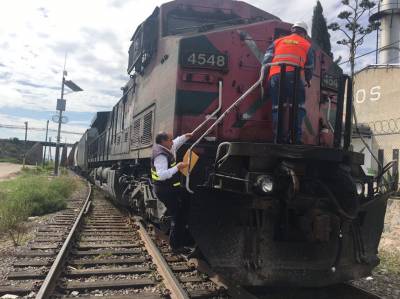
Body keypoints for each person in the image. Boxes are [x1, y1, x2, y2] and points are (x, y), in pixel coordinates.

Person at [262, 21, 315, 143]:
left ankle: (278, 138)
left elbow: (266, 61)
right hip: (293, 76)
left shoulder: (277, 42)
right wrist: (308, 79)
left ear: (292, 30)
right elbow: (309, 66)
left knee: (277, 108)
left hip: (275, 76)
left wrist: (264, 80)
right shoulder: (306, 44)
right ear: (304, 34)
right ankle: (295, 139)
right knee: (298, 107)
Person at [151, 131, 192, 252]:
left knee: (185, 204)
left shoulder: (165, 148)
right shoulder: (161, 156)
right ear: (163, 141)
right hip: (165, 190)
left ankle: (184, 237)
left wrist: (185, 136)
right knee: (177, 216)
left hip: (170, 188)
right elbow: (162, 175)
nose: (172, 141)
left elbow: (176, 143)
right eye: (170, 139)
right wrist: (177, 167)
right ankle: (175, 246)